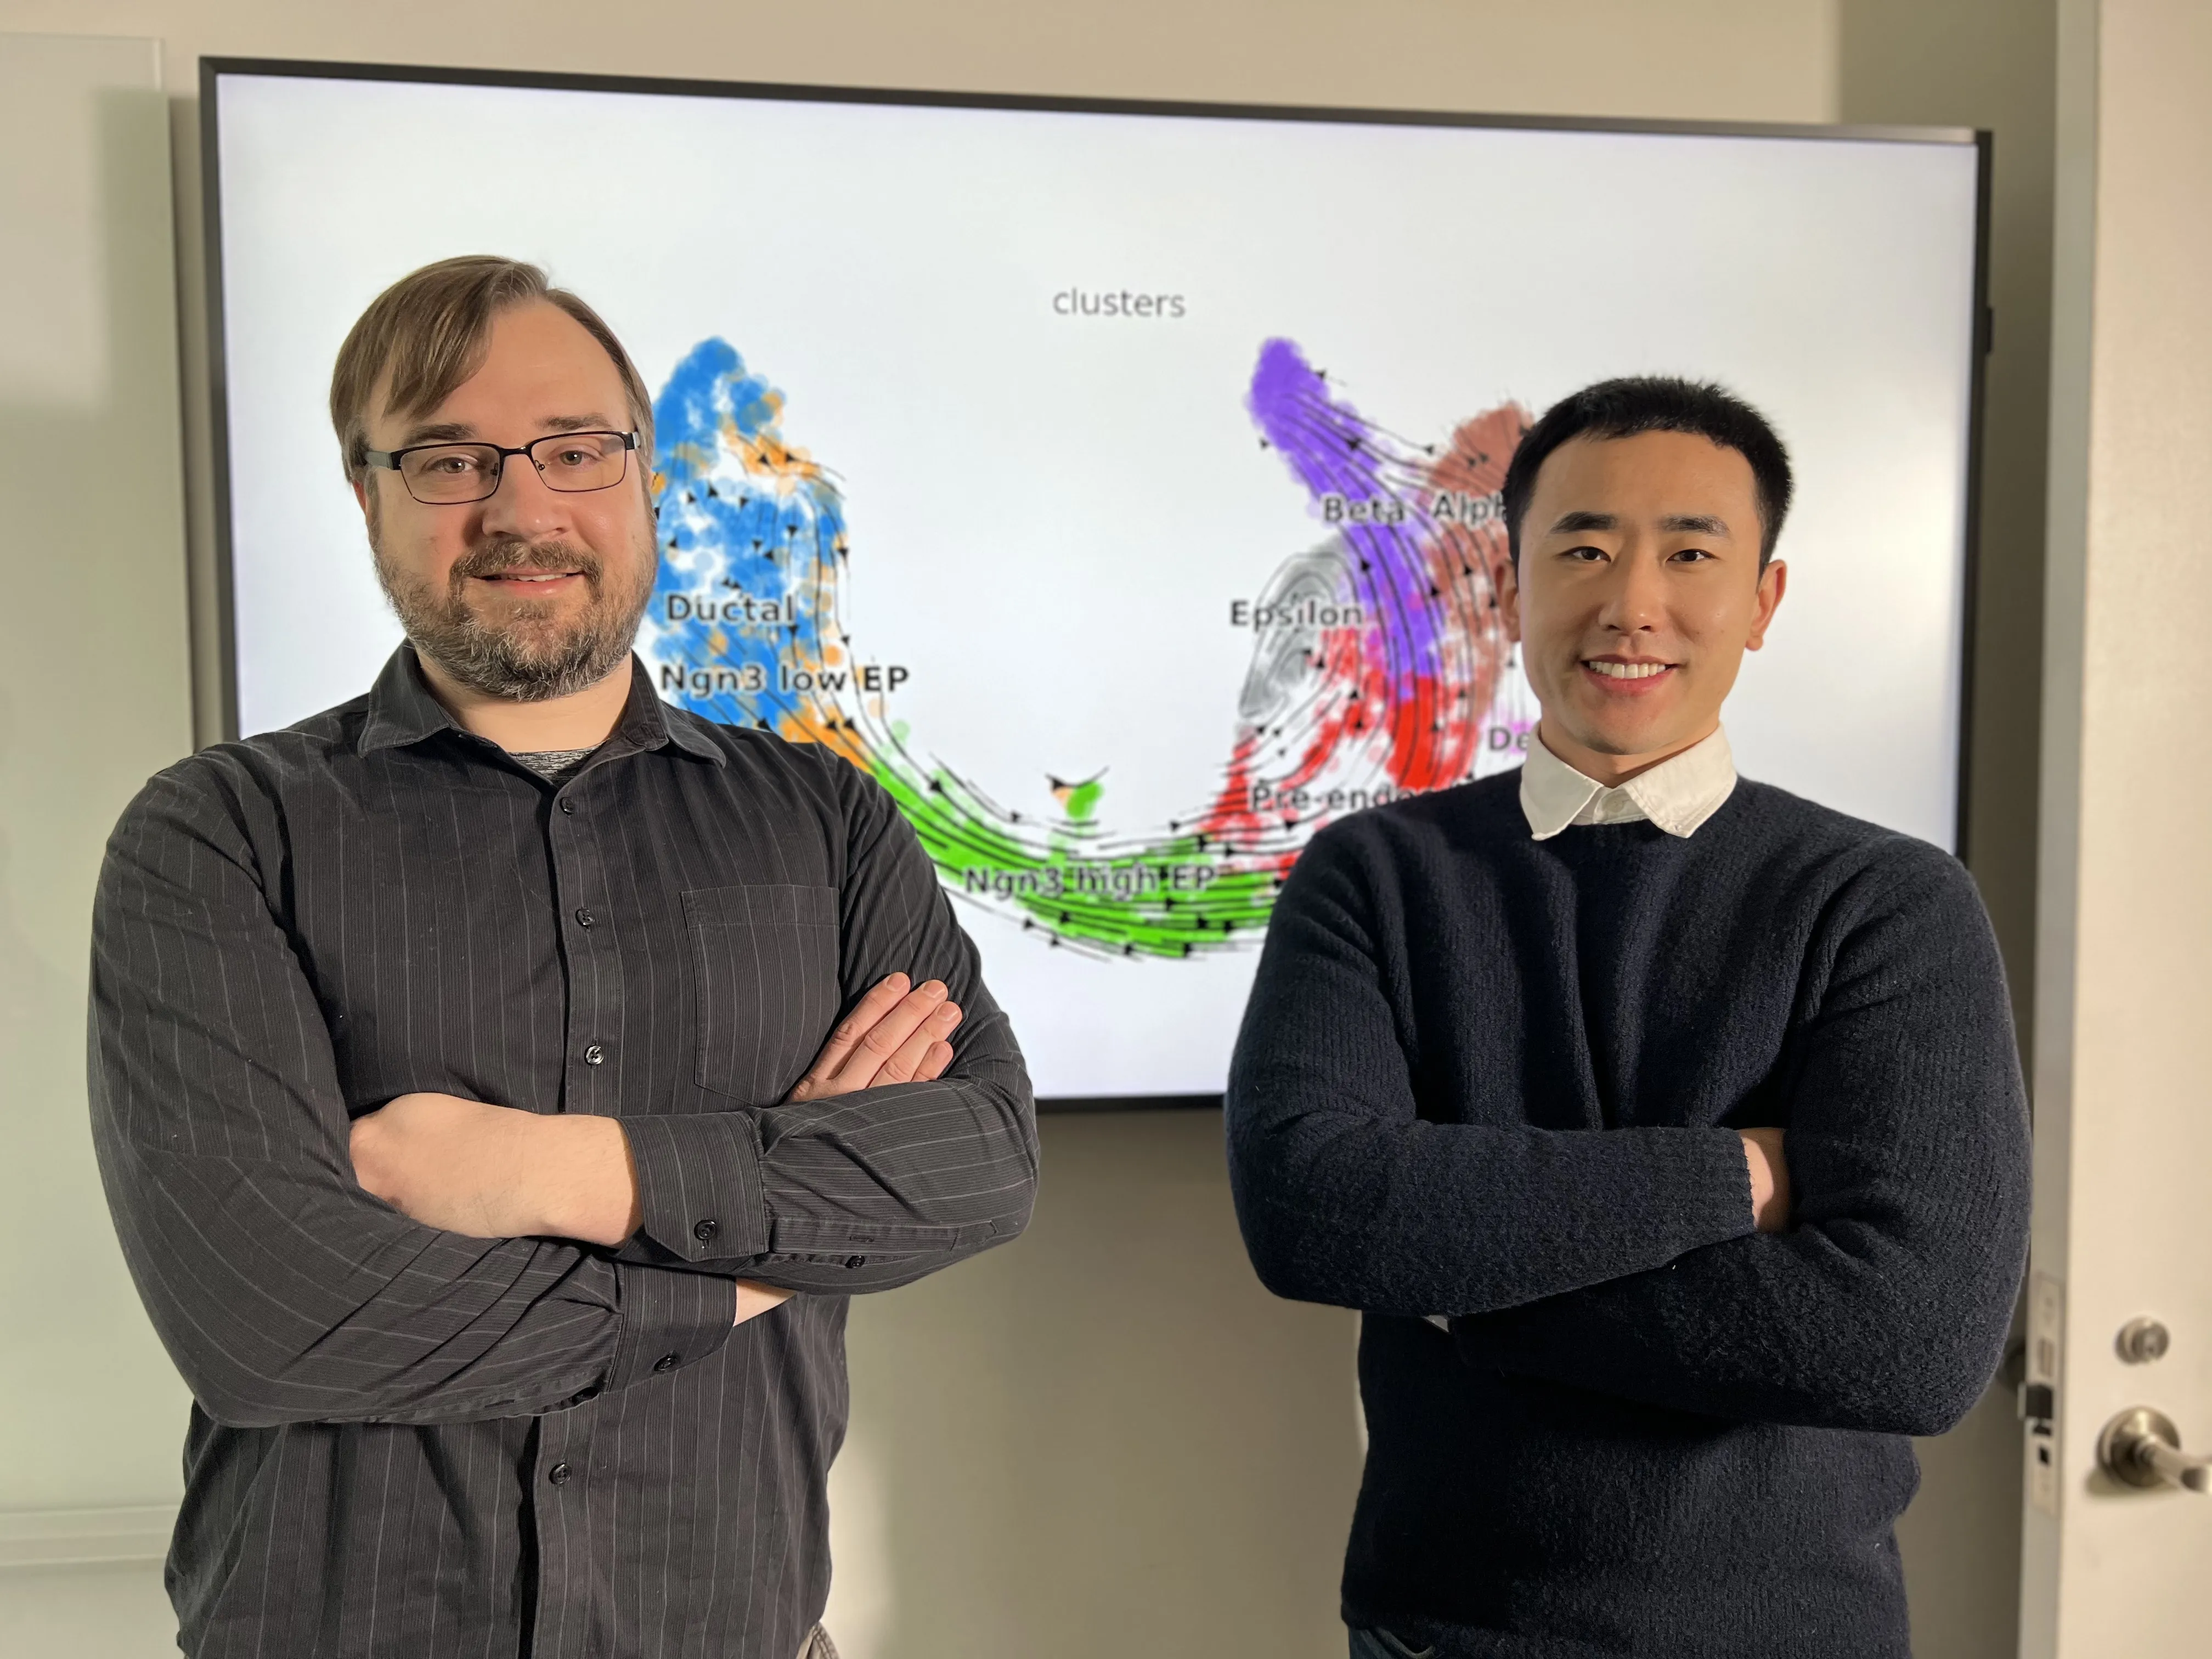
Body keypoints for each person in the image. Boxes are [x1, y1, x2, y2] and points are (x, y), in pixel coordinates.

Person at [89, 255, 1037, 1659]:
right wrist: (752, 1265)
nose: (523, 508)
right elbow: (273, 1325)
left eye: (575, 451)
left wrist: (550, 1174)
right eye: (451, 458)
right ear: (368, 496)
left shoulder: (823, 820)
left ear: (648, 478)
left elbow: (978, 1164)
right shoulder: (220, 834)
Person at [1224, 377, 2030, 1659]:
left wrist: (1465, 1290)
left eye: (1691, 553)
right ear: (1510, 581)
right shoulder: (1373, 876)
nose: (1632, 603)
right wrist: (1734, 1175)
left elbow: (1912, 1347)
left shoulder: (1886, 903)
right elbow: (1313, 1212)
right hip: (1441, 1631)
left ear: (1762, 602)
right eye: (1585, 548)